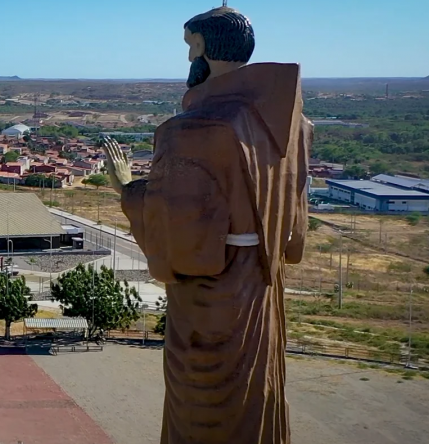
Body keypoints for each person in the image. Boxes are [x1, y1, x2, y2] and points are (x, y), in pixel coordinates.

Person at [104, 6, 310, 444]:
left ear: (200, 47)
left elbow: (178, 228)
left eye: (188, 46)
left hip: (211, 296)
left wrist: (126, 188)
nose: (187, 59)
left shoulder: (192, 129)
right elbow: (294, 234)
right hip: (262, 286)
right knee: (257, 394)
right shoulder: (293, 125)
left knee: (203, 410)